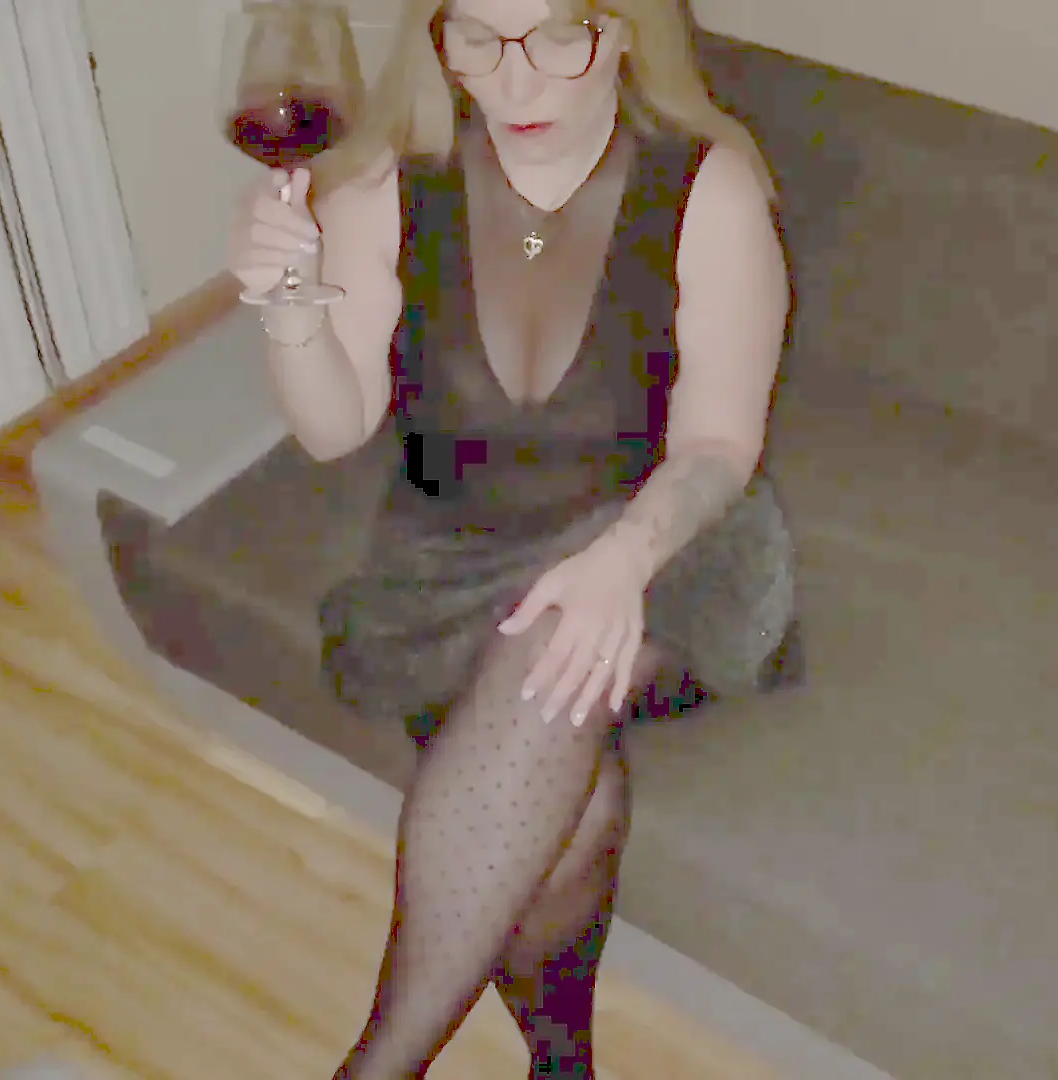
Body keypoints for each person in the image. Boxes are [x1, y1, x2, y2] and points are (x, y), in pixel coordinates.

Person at [225, 0, 796, 1075]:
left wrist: (622, 561)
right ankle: (562, 1067)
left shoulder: (707, 189)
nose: (515, 80)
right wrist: (289, 303)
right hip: (452, 561)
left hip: (661, 539)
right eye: (479, 37)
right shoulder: (389, 185)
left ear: (622, 31)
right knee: (571, 813)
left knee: (548, 663)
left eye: (557, 36)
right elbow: (333, 427)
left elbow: (720, 445)